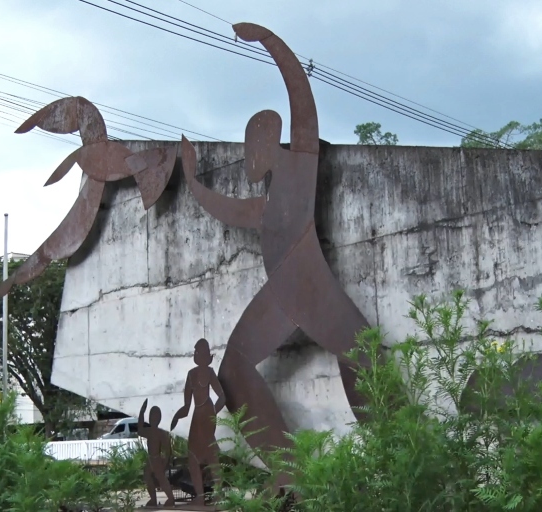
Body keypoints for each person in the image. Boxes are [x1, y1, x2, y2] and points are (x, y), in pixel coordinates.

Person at [178, 22, 372, 498]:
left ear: (270, 140)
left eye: (253, 145)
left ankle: (397, 458)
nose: (248, 157)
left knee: (365, 359)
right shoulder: (269, 202)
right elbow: (230, 209)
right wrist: (190, 177)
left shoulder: (300, 164)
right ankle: (289, 472)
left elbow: (303, 108)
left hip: (309, 286)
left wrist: (273, 46)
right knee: (236, 368)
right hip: (286, 292)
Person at [171, 338, 226, 506]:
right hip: (197, 415)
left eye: (200, 352)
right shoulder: (191, 374)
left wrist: (213, 413)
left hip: (207, 414)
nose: (197, 355)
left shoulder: (209, 372)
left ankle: (219, 494)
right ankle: (200, 496)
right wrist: (176, 416)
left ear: (206, 356)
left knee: (211, 452)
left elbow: (222, 397)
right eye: (196, 352)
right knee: (193, 456)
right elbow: (187, 406)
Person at [138, 398, 175, 507]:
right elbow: (140, 430)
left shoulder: (161, 433)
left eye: (155, 416)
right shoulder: (149, 431)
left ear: (159, 418)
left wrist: (165, 462)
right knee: (147, 477)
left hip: (157, 459)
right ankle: (153, 499)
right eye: (151, 416)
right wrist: (141, 412)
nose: (152, 418)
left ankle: (171, 499)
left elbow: (168, 450)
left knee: (162, 480)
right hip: (151, 459)